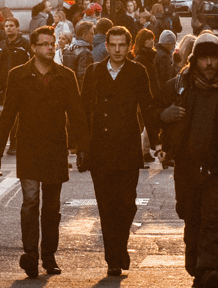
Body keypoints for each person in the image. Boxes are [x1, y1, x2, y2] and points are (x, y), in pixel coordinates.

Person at [153, 34, 218, 287]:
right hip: (187, 167)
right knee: (191, 217)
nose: (209, 64)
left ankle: (210, 269)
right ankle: (196, 266)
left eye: (213, 58)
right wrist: (163, 116)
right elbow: (151, 110)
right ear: (194, 61)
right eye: (203, 59)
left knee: (212, 219)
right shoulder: (178, 85)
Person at [0, 26, 88, 278]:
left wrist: (83, 149)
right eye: (44, 44)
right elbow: (8, 114)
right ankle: (31, 254)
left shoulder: (65, 76)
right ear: (33, 48)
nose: (49, 47)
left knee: (52, 207)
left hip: (55, 147)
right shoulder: (18, 75)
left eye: (52, 43)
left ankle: (49, 256)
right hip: (29, 147)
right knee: (30, 201)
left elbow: (77, 114)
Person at [80, 26, 153, 276]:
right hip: (100, 149)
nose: (118, 49)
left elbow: (147, 106)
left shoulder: (137, 71)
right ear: (107, 47)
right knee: (106, 206)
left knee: (127, 204)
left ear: (129, 46)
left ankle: (120, 246)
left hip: (128, 148)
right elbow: (83, 110)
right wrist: (81, 146)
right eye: (113, 45)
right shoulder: (94, 71)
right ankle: (113, 257)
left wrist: (157, 143)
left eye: (122, 45)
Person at [0, 17, 33, 105]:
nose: (8, 28)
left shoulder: (26, 44)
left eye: (11, 25)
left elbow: (34, 62)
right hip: (3, 86)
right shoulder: (1, 46)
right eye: (6, 26)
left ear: (17, 28)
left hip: (21, 85)